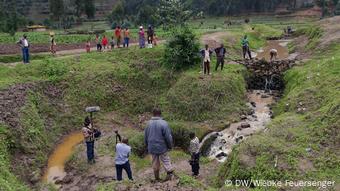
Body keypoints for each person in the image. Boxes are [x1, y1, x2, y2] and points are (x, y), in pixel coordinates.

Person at [144, 108, 174, 181]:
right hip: (162, 147)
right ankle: (169, 175)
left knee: (155, 162)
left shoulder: (148, 123)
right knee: (166, 160)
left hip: (152, 147)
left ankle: (157, 178)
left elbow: (145, 136)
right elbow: (168, 137)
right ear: (160, 114)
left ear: (153, 114)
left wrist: (147, 145)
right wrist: (170, 146)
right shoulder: (164, 123)